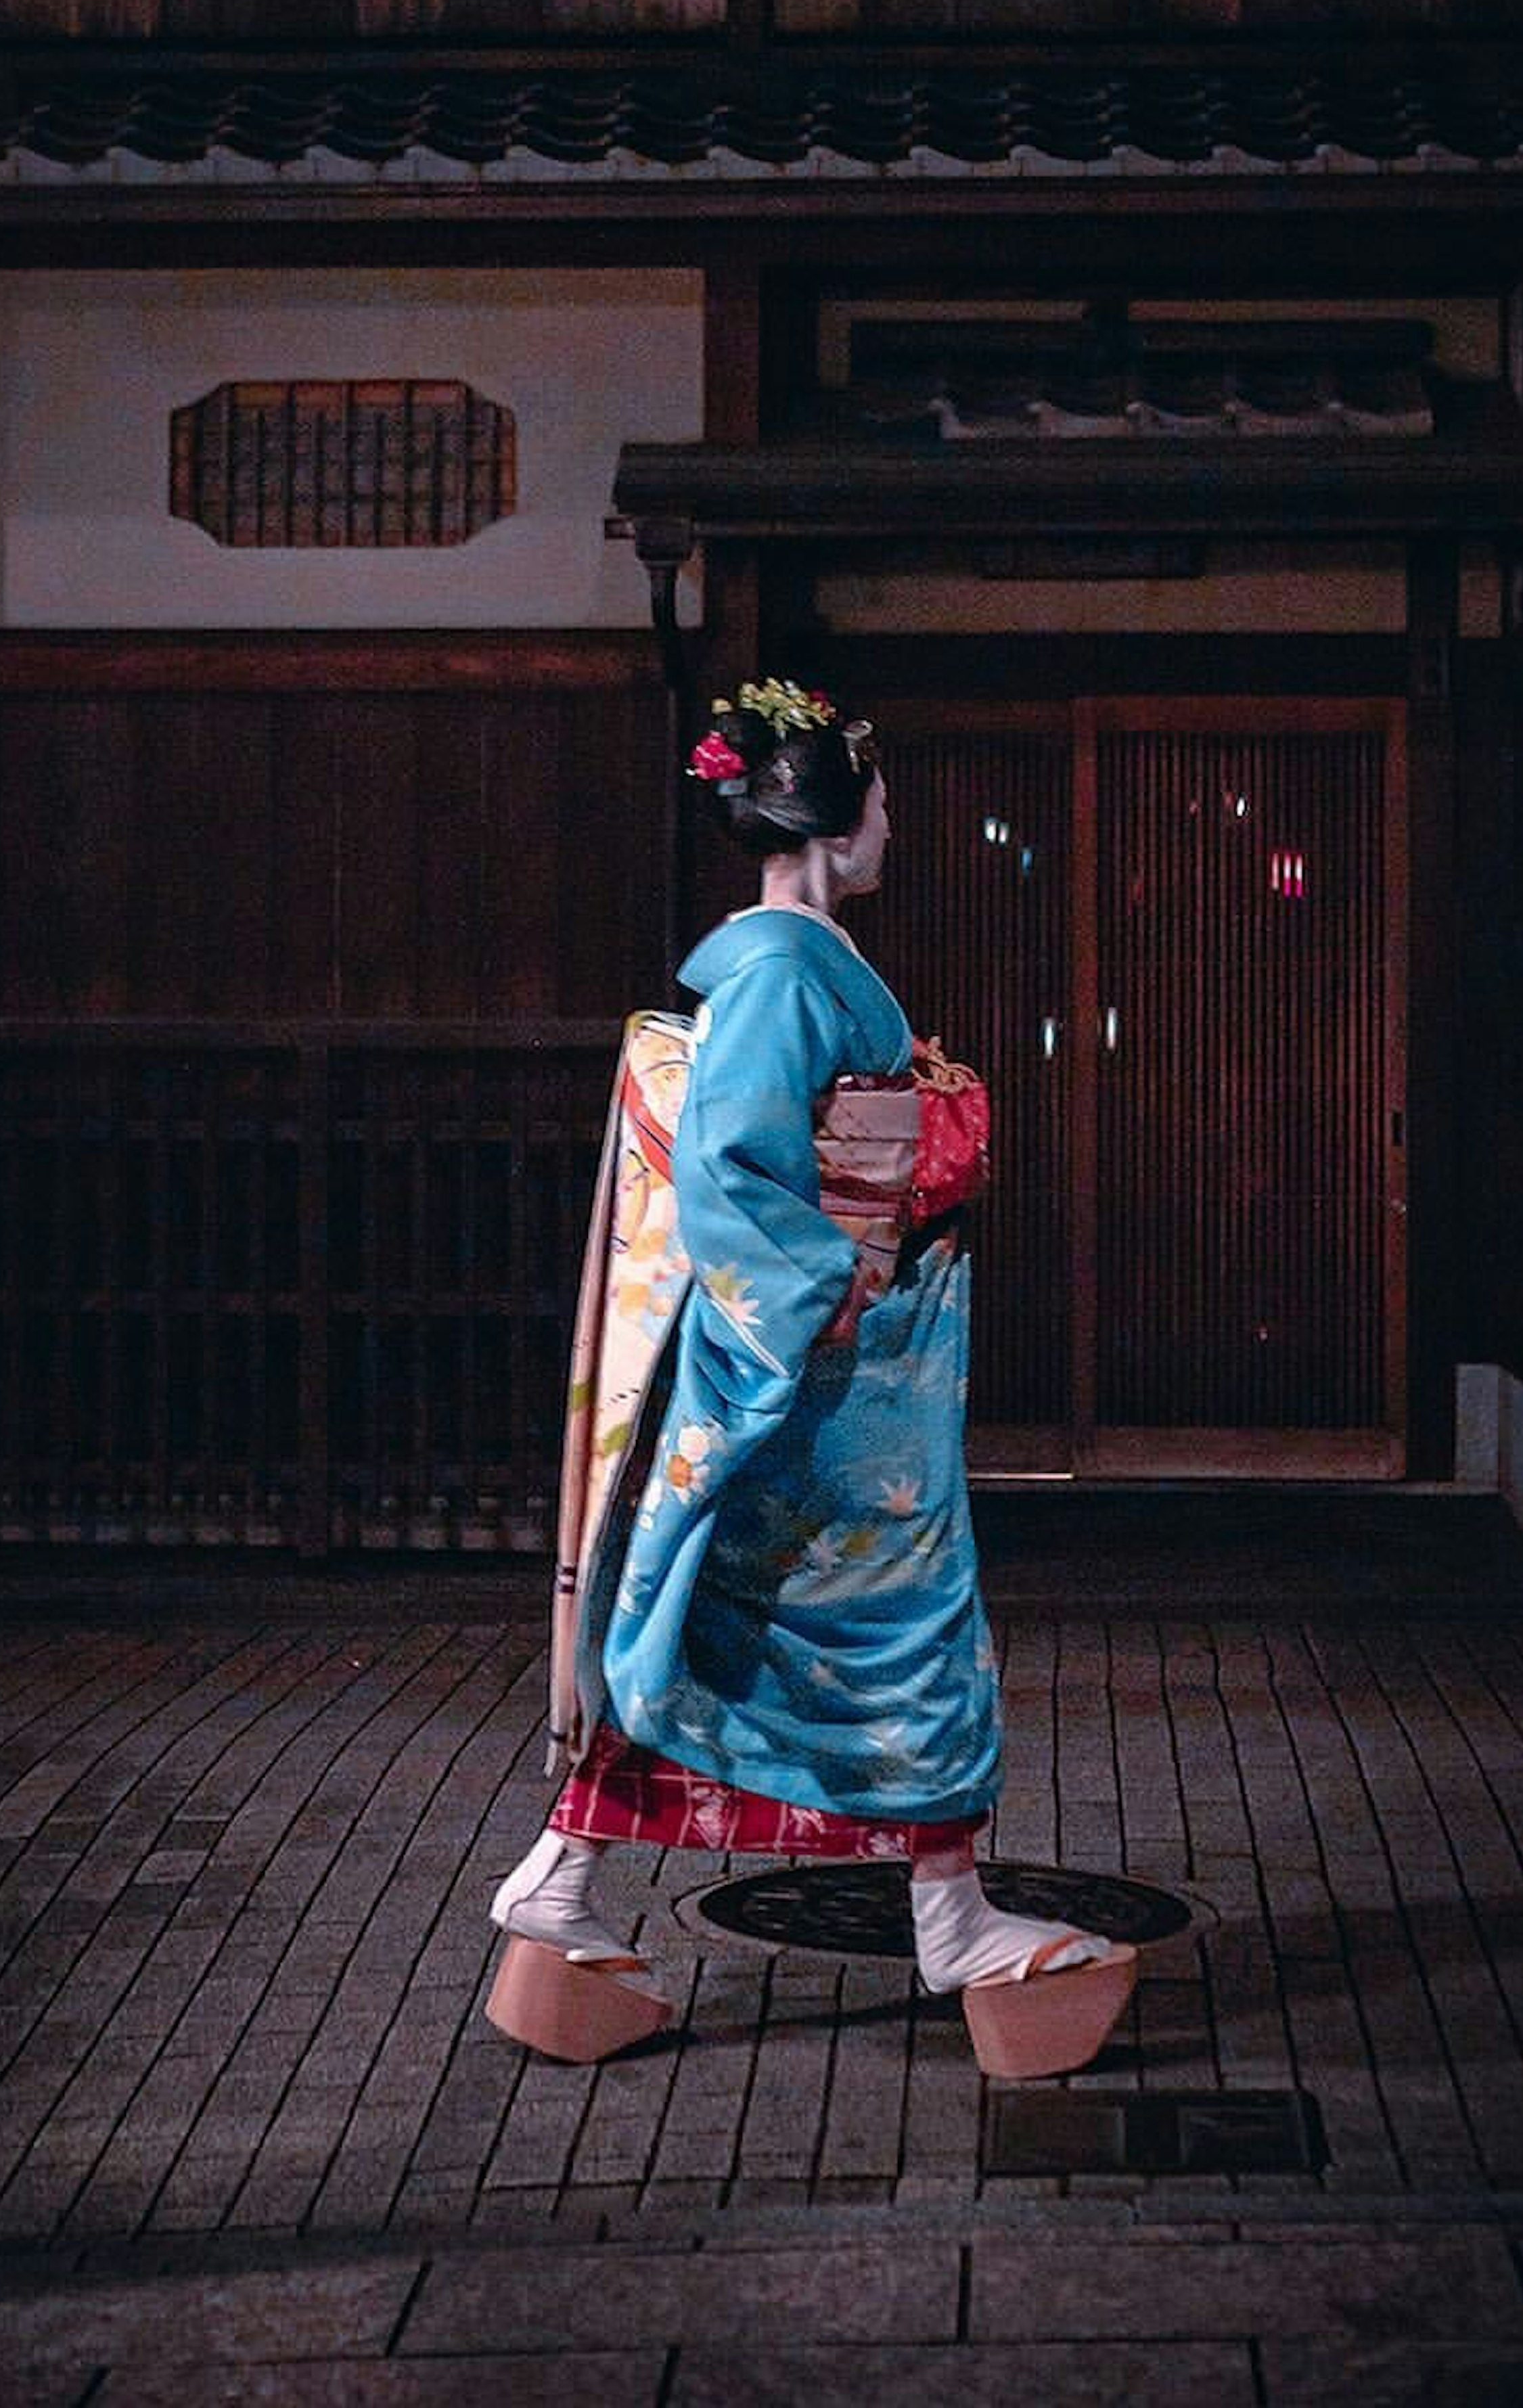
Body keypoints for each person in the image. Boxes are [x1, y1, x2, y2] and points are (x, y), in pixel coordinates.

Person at [483, 679, 1133, 2081]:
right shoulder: (783, 976)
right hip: (823, 1378)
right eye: (885, 801)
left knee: (737, 1627)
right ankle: (946, 1915)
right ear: (838, 822)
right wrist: (826, 1285)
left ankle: (567, 1879)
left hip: (846, 1372)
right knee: (898, 1634)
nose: (896, 826)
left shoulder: (793, 965)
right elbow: (729, 1167)